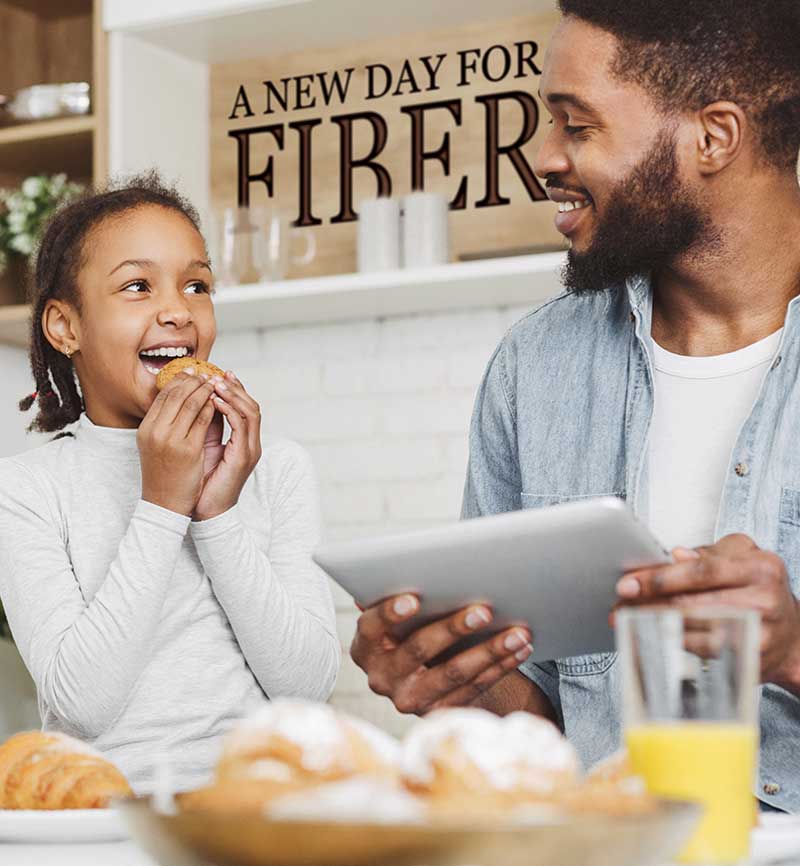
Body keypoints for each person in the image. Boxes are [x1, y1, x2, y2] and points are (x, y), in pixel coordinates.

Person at [351, 0, 800, 813]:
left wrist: (793, 651)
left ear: (715, 136)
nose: (542, 155)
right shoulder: (536, 367)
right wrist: (457, 683)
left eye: (576, 124)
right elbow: (551, 739)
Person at [0, 174, 340, 792]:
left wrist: (215, 515)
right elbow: (81, 706)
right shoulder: (24, 489)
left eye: (197, 285)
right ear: (64, 327)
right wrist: (161, 505)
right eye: (137, 286)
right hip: (108, 820)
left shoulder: (276, 467)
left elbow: (307, 688)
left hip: (261, 810)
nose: (177, 310)